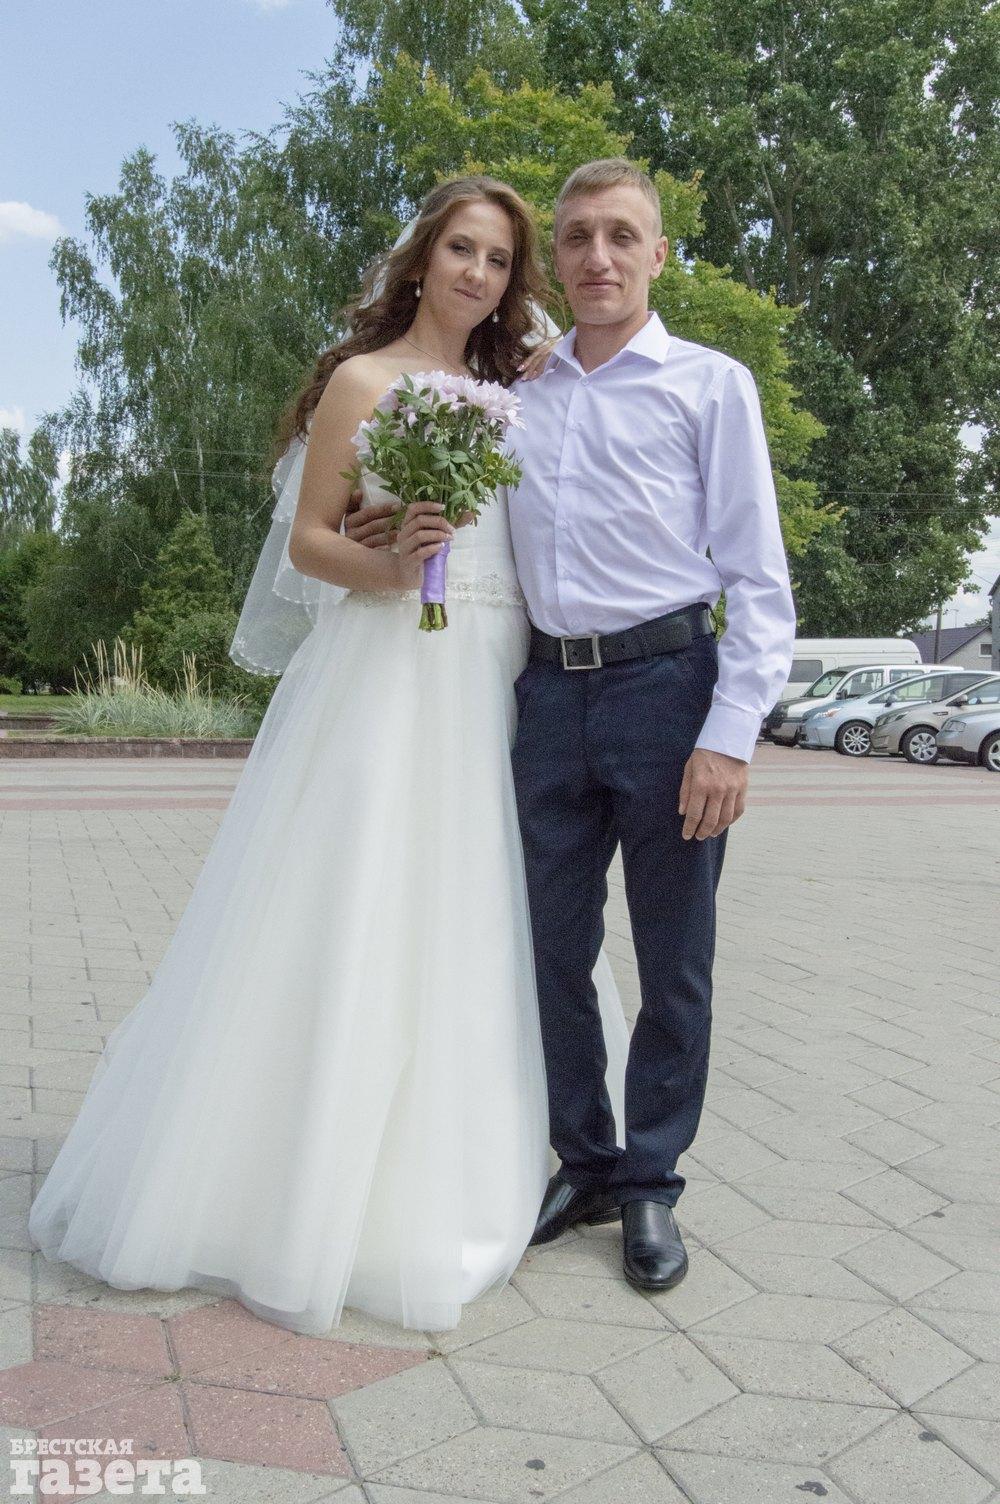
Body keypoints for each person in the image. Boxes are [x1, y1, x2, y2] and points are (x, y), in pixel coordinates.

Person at [26, 174, 630, 1338]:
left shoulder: (521, 385)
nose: (477, 273)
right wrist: (394, 563)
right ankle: (296, 1181)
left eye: (499, 259)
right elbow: (311, 542)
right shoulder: (363, 380)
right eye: (460, 249)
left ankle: (493, 1158)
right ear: (421, 258)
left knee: (481, 908)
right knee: (355, 896)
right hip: (389, 668)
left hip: (496, 669)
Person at [346, 157, 797, 1294]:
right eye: (579, 237)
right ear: (558, 256)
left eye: (621, 236)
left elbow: (759, 578)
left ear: (657, 255)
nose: (599, 256)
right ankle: (585, 1161)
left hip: (669, 690)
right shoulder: (519, 390)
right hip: (545, 695)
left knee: (673, 955)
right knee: (549, 947)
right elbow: (440, 507)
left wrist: (729, 733)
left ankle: (651, 1183)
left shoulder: (710, 386)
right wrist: (374, 523)